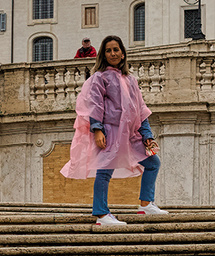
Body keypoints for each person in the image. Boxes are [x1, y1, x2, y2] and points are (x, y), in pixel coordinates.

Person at [61, 34, 163, 226]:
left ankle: (146, 204)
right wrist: (97, 129)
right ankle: (101, 213)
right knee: (105, 170)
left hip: (131, 133)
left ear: (123, 54)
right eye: (108, 50)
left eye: (116, 49)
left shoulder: (131, 80)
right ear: (103, 55)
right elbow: (95, 105)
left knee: (153, 163)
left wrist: (147, 135)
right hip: (111, 131)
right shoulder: (99, 78)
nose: (113, 53)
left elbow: (140, 109)